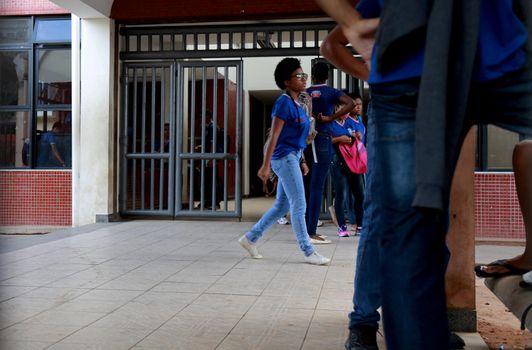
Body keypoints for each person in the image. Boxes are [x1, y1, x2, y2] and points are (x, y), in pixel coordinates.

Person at [316, 0, 532, 349]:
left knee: (435, 220)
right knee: (389, 222)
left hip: (482, 77)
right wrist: (366, 58)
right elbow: (332, 44)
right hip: (407, 91)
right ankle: (364, 322)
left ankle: (425, 319)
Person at [238, 57, 330, 266]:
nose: (303, 79)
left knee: (281, 206)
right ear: (286, 81)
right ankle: (308, 251)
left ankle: (250, 238)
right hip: (283, 158)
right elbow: (274, 136)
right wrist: (265, 164)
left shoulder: (298, 104)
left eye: (303, 75)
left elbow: (298, 139)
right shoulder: (283, 103)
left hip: (294, 156)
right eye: (298, 76)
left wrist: (303, 161)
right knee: (300, 204)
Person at [305, 61, 354, 244]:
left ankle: (305, 229)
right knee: (317, 186)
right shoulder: (331, 92)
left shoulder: (306, 93)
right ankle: (311, 232)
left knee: (307, 186)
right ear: (327, 75)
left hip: (306, 141)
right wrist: (331, 118)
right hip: (323, 138)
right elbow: (349, 103)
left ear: (312, 74)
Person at [330, 104, 365, 237]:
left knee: (360, 194)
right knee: (341, 195)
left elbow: (358, 135)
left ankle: (360, 225)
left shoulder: (351, 121)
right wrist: (339, 139)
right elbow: (325, 141)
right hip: (338, 163)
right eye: (341, 109)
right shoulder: (331, 123)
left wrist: (358, 135)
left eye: (346, 109)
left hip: (354, 162)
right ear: (335, 109)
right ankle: (342, 227)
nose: (345, 111)